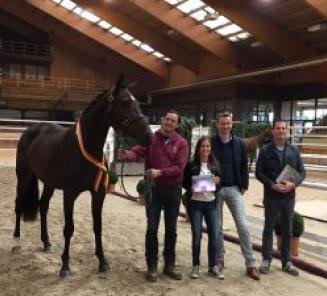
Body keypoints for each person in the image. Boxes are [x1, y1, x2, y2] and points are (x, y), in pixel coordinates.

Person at [118, 110, 188, 282]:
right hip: (153, 190)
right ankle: (152, 266)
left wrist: (160, 172)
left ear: (177, 125)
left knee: (171, 229)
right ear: (163, 120)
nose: (169, 123)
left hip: (173, 191)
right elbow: (138, 151)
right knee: (152, 228)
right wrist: (127, 154)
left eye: (173, 121)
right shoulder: (152, 138)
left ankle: (169, 266)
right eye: (167, 119)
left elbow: (179, 168)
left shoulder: (181, 143)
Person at [211, 112, 260, 281]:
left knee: (243, 225)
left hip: (233, 188)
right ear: (217, 124)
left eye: (228, 123)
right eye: (222, 123)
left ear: (232, 125)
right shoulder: (210, 143)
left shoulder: (239, 143)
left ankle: (250, 263)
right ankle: (219, 260)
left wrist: (244, 184)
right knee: (217, 227)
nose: (225, 126)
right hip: (215, 190)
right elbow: (202, 163)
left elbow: (243, 164)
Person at [256, 119, 305, 276]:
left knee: (287, 229)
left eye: (284, 128)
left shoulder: (294, 151)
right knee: (268, 228)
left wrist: (294, 184)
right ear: (273, 130)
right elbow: (259, 173)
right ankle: (266, 260)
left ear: (287, 131)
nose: (281, 131)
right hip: (272, 196)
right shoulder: (265, 151)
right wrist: (272, 185)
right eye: (278, 128)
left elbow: (302, 172)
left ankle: (287, 262)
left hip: (289, 197)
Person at [182, 136, 224, 280]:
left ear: (210, 149)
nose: (205, 149)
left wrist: (217, 182)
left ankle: (213, 266)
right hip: (196, 204)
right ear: (198, 148)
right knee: (197, 236)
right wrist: (192, 187)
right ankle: (196, 265)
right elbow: (184, 182)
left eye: (208, 146)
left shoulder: (215, 164)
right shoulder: (192, 164)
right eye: (203, 146)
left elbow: (219, 183)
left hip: (211, 203)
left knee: (214, 235)